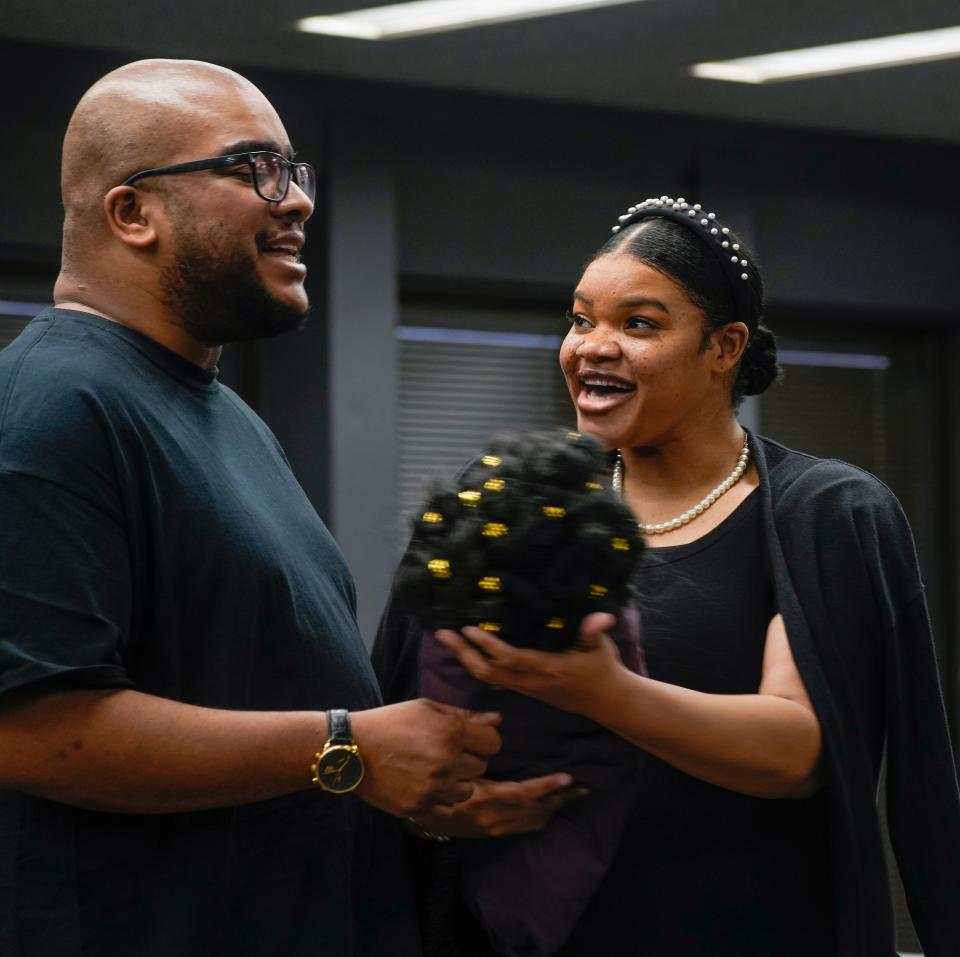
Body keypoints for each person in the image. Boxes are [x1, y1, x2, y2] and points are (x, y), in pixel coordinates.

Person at [0, 59, 501, 957]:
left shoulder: (219, 410)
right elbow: (34, 732)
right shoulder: (51, 407)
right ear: (132, 213)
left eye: (295, 171)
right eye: (251, 167)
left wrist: (419, 782)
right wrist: (347, 745)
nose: (297, 201)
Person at [374, 196, 960, 956]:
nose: (593, 346)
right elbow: (404, 729)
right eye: (582, 319)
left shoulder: (824, 513)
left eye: (638, 324)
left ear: (724, 346)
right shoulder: (515, 508)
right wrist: (443, 807)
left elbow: (796, 752)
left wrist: (602, 690)